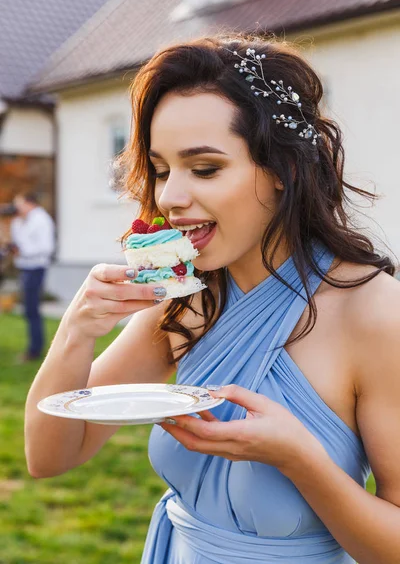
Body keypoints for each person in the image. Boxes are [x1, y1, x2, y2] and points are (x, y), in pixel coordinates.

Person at [24, 33, 400, 563]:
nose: (169, 198)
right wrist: (76, 331)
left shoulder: (377, 314)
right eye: (160, 170)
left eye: (204, 169)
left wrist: (299, 460)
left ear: (283, 172)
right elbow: (49, 457)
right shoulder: (183, 301)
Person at [10, 193, 55, 361]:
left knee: (32, 309)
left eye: (19, 203)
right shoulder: (20, 221)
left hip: (36, 268)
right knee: (28, 309)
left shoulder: (41, 220)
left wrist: (23, 250)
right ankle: (35, 347)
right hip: (24, 268)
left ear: (29, 203)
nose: (16, 208)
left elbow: (46, 247)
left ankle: (35, 350)